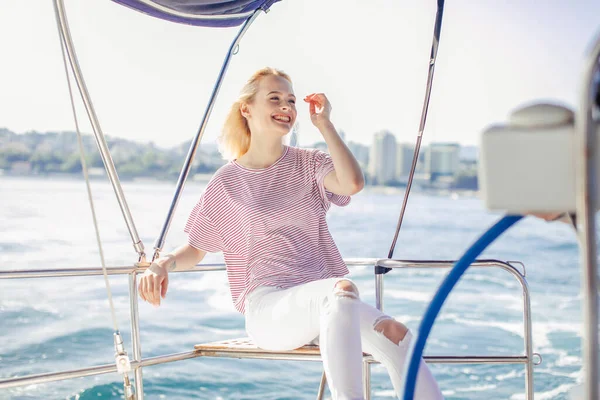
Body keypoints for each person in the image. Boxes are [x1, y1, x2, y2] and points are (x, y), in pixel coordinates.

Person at [138, 67, 444, 399]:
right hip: (268, 308)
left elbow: (352, 184)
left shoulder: (309, 164)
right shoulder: (227, 182)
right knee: (340, 291)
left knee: (399, 336)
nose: (286, 106)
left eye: (291, 100)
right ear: (247, 109)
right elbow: (197, 249)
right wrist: (162, 264)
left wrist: (325, 125)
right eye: (275, 98)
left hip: (324, 304)